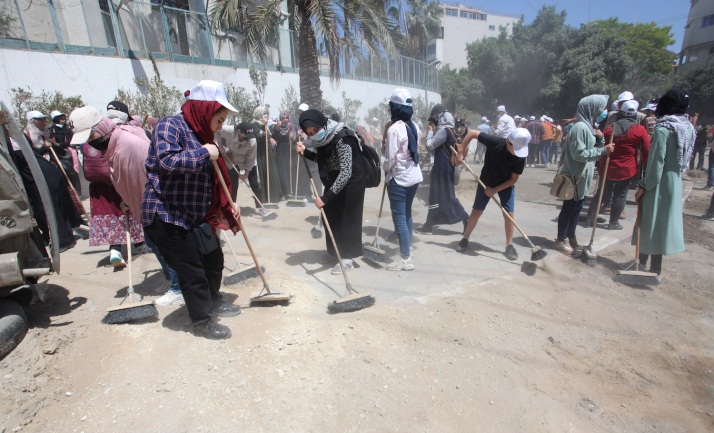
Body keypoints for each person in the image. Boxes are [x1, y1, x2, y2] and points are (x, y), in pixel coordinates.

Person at [142, 80, 242, 340]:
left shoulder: (201, 134)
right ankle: (202, 322)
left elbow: (213, 179)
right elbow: (167, 162)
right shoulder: (169, 125)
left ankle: (212, 302)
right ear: (204, 110)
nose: (220, 127)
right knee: (192, 270)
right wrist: (203, 153)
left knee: (214, 260)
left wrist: (228, 205)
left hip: (195, 214)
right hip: (167, 214)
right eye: (219, 120)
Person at [69, 106, 183, 306]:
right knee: (155, 244)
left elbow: (148, 177)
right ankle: (170, 278)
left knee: (165, 245)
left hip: (156, 204)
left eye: (91, 135)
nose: (90, 142)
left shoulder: (127, 143)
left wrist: (142, 201)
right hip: (142, 204)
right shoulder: (115, 142)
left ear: (102, 126)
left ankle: (178, 287)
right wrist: (128, 200)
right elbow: (128, 177)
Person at [296, 109, 366, 274]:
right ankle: (334, 251)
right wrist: (305, 152)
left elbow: (346, 172)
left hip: (352, 181)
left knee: (346, 218)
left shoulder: (343, 138)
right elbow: (323, 160)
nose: (314, 135)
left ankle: (347, 257)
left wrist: (327, 196)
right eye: (310, 133)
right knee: (330, 214)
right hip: (334, 177)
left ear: (323, 124)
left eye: (316, 130)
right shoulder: (323, 141)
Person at [634, 88, 696, 277]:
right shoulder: (687, 127)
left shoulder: (664, 129)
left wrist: (644, 185)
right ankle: (656, 268)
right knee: (661, 225)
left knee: (648, 222)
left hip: (658, 184)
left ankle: (641, 265)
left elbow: (656, 164)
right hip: (674, 183)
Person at [455, 127, 530, 259]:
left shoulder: (520, 157)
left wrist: (495, 190)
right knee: (476, 211)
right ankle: (465, 238)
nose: (518, 153)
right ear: (508, 142)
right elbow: (472, 133)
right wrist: (461, 151)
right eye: (516, 149)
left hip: (506, 185)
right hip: (486, 181)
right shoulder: (495, 142)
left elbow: (513, 179)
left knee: (509, 215)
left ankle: (509, 245)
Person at [554, 95, 615, 255]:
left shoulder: (588, 127)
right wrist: (603, 150)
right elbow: (579, 154)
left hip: (583, 177)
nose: (603, 112)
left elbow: (591, 150)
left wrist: (601, 141)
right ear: (591, 108)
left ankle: (571, 236)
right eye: (600, 108)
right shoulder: (580, 128)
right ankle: (561, 240)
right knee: (569, 208)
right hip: (575, 176)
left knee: (577, 208)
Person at [584, 100, 650, 230]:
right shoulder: (639, 130)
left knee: (601, 193)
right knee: (620, 195)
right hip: (627, 169)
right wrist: (646, 167)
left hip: (608, 167)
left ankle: (589, 220)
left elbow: (601, 143)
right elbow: (647, 150)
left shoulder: (610, 128)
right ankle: (613, 223)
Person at [384, 89, 423, 271]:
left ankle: (405, 258)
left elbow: (390, 157)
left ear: (395, 107)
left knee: (399, 217)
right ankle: (407, 249)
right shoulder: (414, 126)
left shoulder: (394, 129)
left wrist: (385, 172)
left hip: (399, 178)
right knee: (406, 214)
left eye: (391, 106)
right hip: (414, 176)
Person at [416, 104, 469, 234]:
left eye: (434, 118)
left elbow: (429, 146)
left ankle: (466, 218)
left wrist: (429, 131)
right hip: (444, 167)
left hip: (443, 168)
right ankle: (429, 224)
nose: (433, 120)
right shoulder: (451, 129)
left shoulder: (443, 131)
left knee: (446, 195)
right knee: (436, 195)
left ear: (440, 117)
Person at [252, 106, 282, 204]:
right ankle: (265, 198)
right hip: (261, 153)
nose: (265, 116)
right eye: (263, 114)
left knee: (272, 172)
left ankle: (274, 196)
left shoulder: (265, 125)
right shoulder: (255, 124)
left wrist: (266, 127)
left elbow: (269, 136)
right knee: (264, 172)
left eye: (266, 114)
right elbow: (259, 135)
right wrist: (264, 127)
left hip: (267, 151)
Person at [272, 111, 297, 199]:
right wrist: (276, 130)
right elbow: (273, 137)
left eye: (286, 118)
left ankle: (290, 191)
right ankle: (283, 192)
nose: (285, 120)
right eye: (283, 118)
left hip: (289, 151)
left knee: (289, 171)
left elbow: (295, 138)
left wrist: (293, 137)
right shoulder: (277, 127)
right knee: (281, 172)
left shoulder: (291, 127)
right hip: (280, 151)